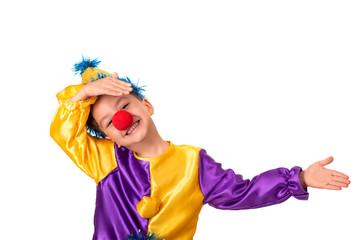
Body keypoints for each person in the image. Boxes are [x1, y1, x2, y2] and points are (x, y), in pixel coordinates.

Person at [50, 57, 350, 240]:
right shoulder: (103, 158)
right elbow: (64, 133)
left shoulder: (193, 163)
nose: (122, 119)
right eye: (109, 122)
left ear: (148, 105)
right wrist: (85, 93)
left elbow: (242, 192)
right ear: (107, 137)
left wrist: (298, 179)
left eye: (125, 106)